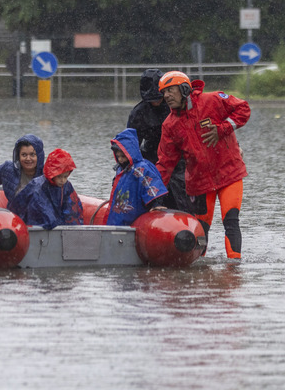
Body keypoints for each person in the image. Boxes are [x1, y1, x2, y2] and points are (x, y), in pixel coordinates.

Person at [156, 71, 250, 260]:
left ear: (184, 89)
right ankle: (199, 267)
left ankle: (234, 269)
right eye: (163, 92)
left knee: (230, 221)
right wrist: (152, 194)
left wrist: (223, 129)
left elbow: (244, 109)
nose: (166, 96)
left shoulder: (213, 100)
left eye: (170, 90)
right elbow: (165, 164)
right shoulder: (169, 125)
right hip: (199, 183)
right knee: (201, 227)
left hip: (229, 174)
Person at [126, 68, 192, 213]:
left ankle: (186, 216)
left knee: (180, 185)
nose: (156, 102)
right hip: (151, 155)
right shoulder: (139, 113)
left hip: (178, 155)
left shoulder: (175, 106)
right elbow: (131, 143)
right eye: (152, 99)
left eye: (158, 97)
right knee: (148, 176)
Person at [106, 128, 168, 226]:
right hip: (121, 211)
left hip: (136, 212)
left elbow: (153, 186)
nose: (120, 160)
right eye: (118, 156)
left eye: (123, 156)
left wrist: (156, 204)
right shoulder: (121, 169)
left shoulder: (142, 169)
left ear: (131, 153)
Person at [9, 148, 84, 230]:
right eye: (59, 176)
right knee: (48, 220)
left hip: (55, 218)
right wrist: (56, 224)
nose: (63, 180)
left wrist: (71, 228)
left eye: (65, 176)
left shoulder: (66, 185)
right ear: (52, 174)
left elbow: (72, 208)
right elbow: (43, 213)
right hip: (26, 221)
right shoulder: (38, 187)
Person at [0, 134, 46, 208]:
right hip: (13, 215)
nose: (28, 159)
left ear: (39, 156)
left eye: (32, 155)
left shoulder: (46, 174)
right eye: (24, 155)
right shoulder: (8, 169)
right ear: (18, 156)